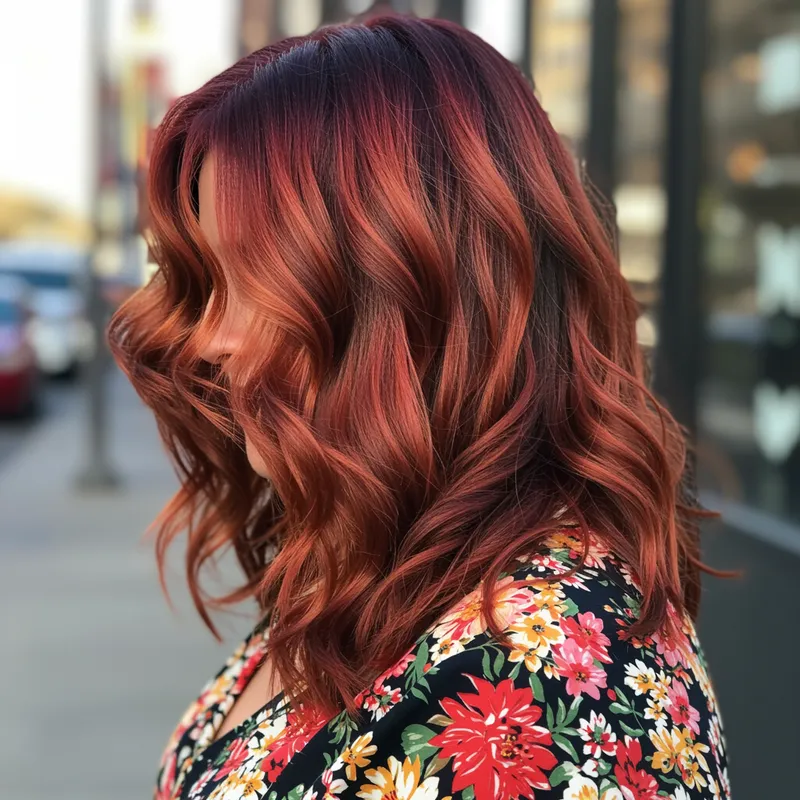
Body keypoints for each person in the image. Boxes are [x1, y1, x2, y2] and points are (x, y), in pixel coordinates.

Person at [109, 13, 729, 800]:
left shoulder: (532, 700)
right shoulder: (397, 567)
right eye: (211, 285)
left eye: (257, 282)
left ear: (415, 293)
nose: (209, 340)